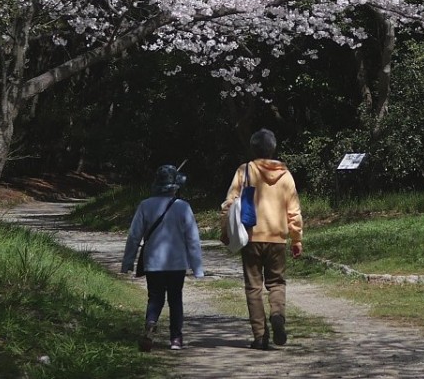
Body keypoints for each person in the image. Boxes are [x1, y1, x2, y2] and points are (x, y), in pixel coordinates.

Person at [222, 128, 303, 349]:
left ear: (253, 148)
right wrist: (296, 239)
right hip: (277, 238)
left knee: (253, 287)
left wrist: (225, 231)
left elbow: (230, 204)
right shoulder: (286, 175)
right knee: (276, 283)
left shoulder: (244, 170)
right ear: (273, 148)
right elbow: (294, 211)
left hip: (250, 237)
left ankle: (260, 336)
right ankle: (277, 315)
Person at [121, 164, 205, 352]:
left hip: (153, 263)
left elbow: (134, 236)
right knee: (175, 299)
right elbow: (192, 239)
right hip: (177, 264)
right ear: (175, 186)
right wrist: (197, 268)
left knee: (155, 298)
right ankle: (176, 339)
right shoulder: (183, 207)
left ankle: (150, 325)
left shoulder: (145, 205)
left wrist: (127, 263)